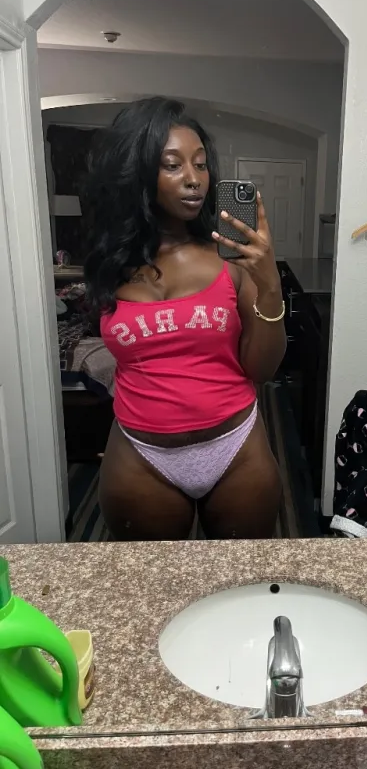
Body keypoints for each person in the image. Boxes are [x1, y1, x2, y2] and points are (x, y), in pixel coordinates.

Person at [83, 97, 286, 540]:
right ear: (138, 175)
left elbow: (262, 369)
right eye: (173, 165)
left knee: (241, 576)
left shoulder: (231, 257)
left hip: (236, 449)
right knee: (151, 580)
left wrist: (269, 283)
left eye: (201, 164)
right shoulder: (110, 263)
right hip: (141, 456)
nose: (194, 179)